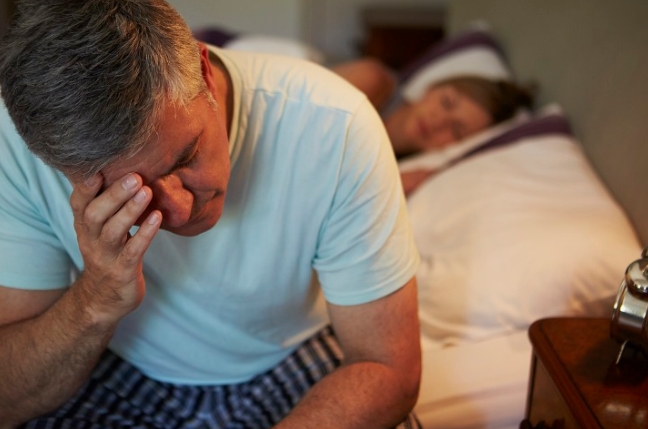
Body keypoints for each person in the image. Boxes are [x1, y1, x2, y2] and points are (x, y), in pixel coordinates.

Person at [0, 1, 421, 428]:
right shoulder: (14, 145)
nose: (180, 210)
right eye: (129, 193)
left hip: (285, 353)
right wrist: (96, 300)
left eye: (187, 156)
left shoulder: (333, 124)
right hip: (119, 362)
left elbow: (388, 366)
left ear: (204, 74)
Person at [333, 58, 535, 195]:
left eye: (456, 130)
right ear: (432, 87)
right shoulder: (371, 82)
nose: (438, 121)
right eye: (446, 102)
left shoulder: (407, 170)